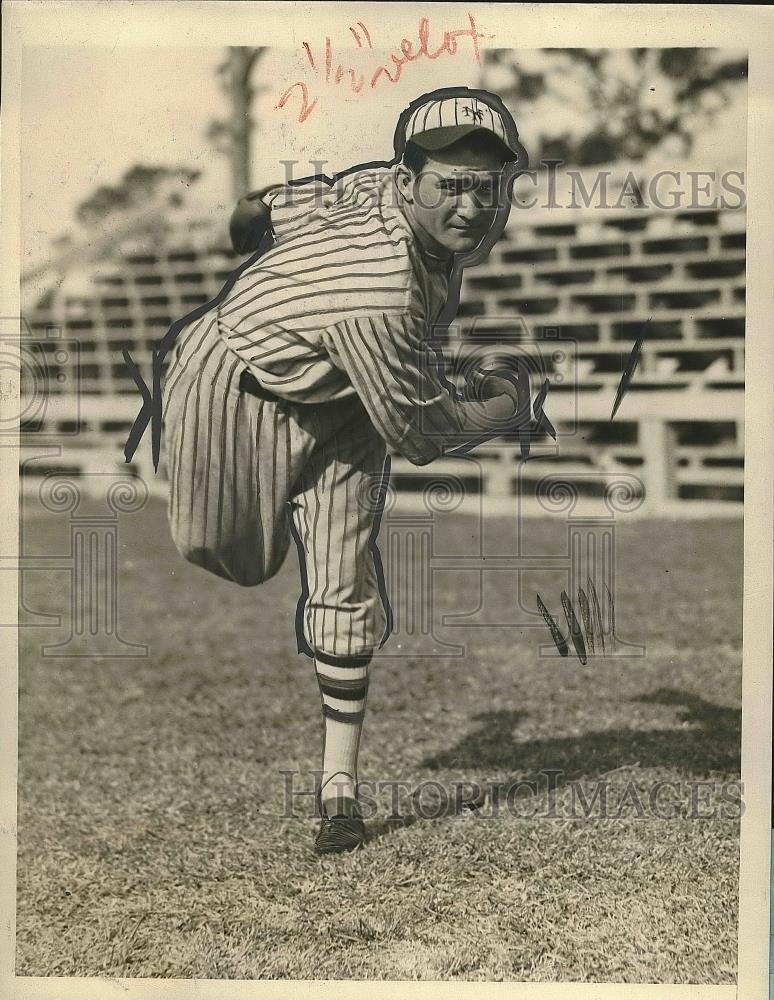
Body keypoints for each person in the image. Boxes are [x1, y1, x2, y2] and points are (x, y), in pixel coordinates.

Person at [161, 87, 529, 854]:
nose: (471, 204)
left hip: (346, 397)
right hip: (236, 383)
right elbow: (425, 436)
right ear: (407, 182)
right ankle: (249, 515)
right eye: (451, 184)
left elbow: (267, 211)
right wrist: (506, 411)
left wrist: (253, 216)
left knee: (343, 579)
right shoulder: (380, 285)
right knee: (228, 554)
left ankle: (338, 794)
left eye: (485, 186)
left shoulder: (371, 185)